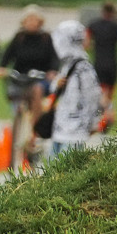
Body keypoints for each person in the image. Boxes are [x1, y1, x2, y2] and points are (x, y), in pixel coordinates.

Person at [34, 20, 106, 167]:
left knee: (66, 170)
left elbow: (94, 97)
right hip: (60, 127)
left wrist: (95, 123)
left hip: (76, 132)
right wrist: (56, 84)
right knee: (51, 170)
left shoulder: (84, 68)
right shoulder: (67, 66)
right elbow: (57, 90)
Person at [0, 7, 58, 132]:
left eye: (34, 19)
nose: (31, 22)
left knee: (37, 90)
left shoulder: (46, 38)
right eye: (28, 20)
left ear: (40, 22)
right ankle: (17, 121)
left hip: (40, 77)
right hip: (20, 76)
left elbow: (54, 57)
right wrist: (2, 67)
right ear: (23, 22)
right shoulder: (19, 37)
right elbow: (8, 54)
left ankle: (35, 128)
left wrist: (52, 70)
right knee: (14, 94)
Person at [85, 1, 117, 97]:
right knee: (110, 95)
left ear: (102, 11)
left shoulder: (93, 25)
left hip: (98, 63)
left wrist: (93, 45)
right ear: (114, 12)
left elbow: (85, 44)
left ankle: (103, 110)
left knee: (100, 93)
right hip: (112, 64)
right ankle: (108, 109)